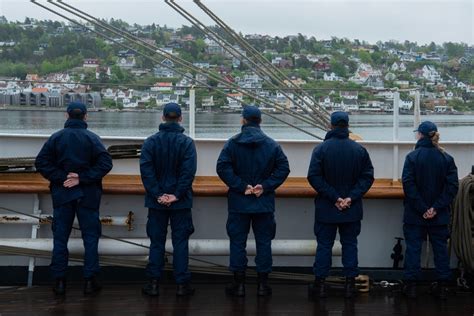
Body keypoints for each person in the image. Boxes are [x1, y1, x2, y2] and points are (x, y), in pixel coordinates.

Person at [35, 102, 113, 296]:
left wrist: (63, 178)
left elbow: (41, 163)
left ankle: (60, 281)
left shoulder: (56, 138)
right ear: (85, 116)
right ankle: (89, 281)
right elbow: (105, 163)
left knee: (60, 238)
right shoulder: (92, 139)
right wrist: (82, 178)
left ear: (67, 116)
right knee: (90, 238)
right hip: (87, 195)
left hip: (63, 195)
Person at [216, 105, 290, 297]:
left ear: (243, 120)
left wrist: (242, 186)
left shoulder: (232, 144)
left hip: (239, 202)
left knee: (238, 242)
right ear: (260, 121)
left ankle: (239, 285)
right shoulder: (272, 145)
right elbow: (283, 169)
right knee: (264, 243)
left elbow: (223, 168)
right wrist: (264, 186)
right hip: (263, 202)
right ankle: (262, 285)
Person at [307, 111, 374, 299]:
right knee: (350, 244)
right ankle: (349, 286)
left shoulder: (321, 150)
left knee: (324, 246)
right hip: (351, 208)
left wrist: (334, 198)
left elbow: (314, 177)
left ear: (331, 125)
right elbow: (367, 177)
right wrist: (350, 198)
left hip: (327, 207)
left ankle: (320, 285)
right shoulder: (359, 150)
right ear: (347, 126)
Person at [140, 102, 197, 297]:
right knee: (180, 242)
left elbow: (146, 172)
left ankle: (154, 284)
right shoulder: (187, 143)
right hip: (180, 202)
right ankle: (182, 285)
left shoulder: (150, 142)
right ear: (180, 118)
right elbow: (188, 173)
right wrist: (177, 194)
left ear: (163, 118)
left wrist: (158, 194)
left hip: (156, 202)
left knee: (157, 242)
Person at [402, 121, 458, 299]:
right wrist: (435, 208)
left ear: (420, 135)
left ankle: (411, 287)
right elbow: (452, 188)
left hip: (415, 214)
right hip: (439, 215)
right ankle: (442, 286)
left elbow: (409, 186)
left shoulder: (412, 158)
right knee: (440, 250)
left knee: (413, 249)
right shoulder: (447, 159)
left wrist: (423, 208)